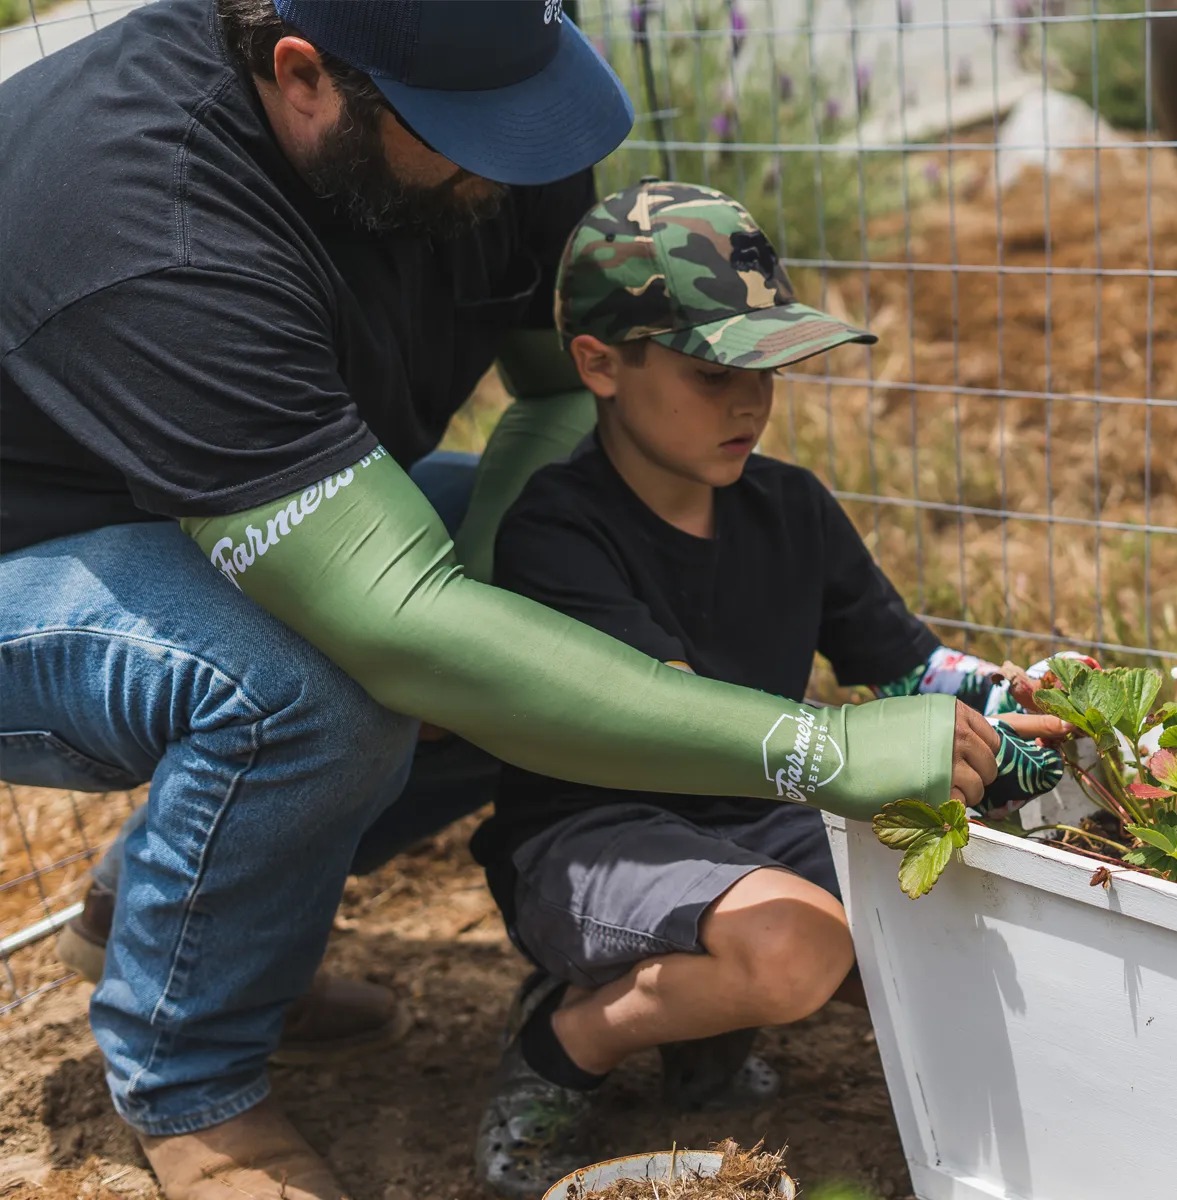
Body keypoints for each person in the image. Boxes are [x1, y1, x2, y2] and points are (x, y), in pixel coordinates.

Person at [0, 1, 1002, 1187]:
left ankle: (188, 909)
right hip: (44, 537)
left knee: (555, 606)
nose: (520, 167)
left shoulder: (491, 92)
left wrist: (522, 592)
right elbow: (403, 627)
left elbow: (556, 397)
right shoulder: (152, 212)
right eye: (474, 136)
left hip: (230, 474)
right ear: (304, 76)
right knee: (320, 690)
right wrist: (814, 747)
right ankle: (191, 1086)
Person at [469, 180, 1072, 1196]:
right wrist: (871, 745)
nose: (751, 400)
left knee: (960, 906)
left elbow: (904, 661)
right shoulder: (557, 530)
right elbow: (665, 719)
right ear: (598, 364)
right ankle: (563, 1042)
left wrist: (1014, 702)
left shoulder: (789, 506)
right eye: (714, 371)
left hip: (753, 821)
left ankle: (705, 1034)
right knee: (798, 947)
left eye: (769, 367)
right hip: (595, 836)